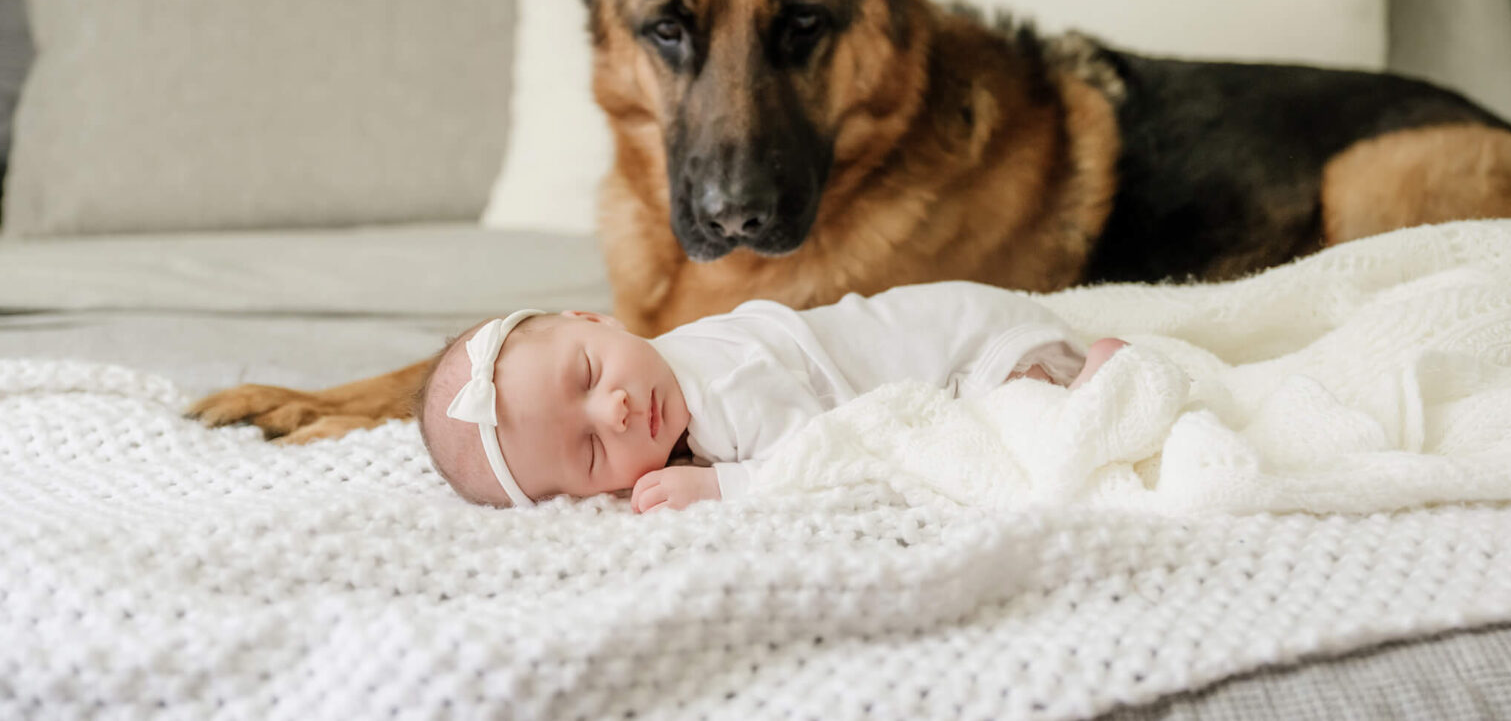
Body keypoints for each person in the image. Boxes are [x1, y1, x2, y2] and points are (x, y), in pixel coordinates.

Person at [417, 284, 1127, 512]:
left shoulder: (718, 386)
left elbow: (819, 454)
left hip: (987, 347)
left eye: (588, 375)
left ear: (592, 321)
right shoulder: (662, 361)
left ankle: (1098, 386)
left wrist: (721, 484)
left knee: (1012, 441)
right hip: (980, 325)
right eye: (592, 448)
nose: (617, 410)